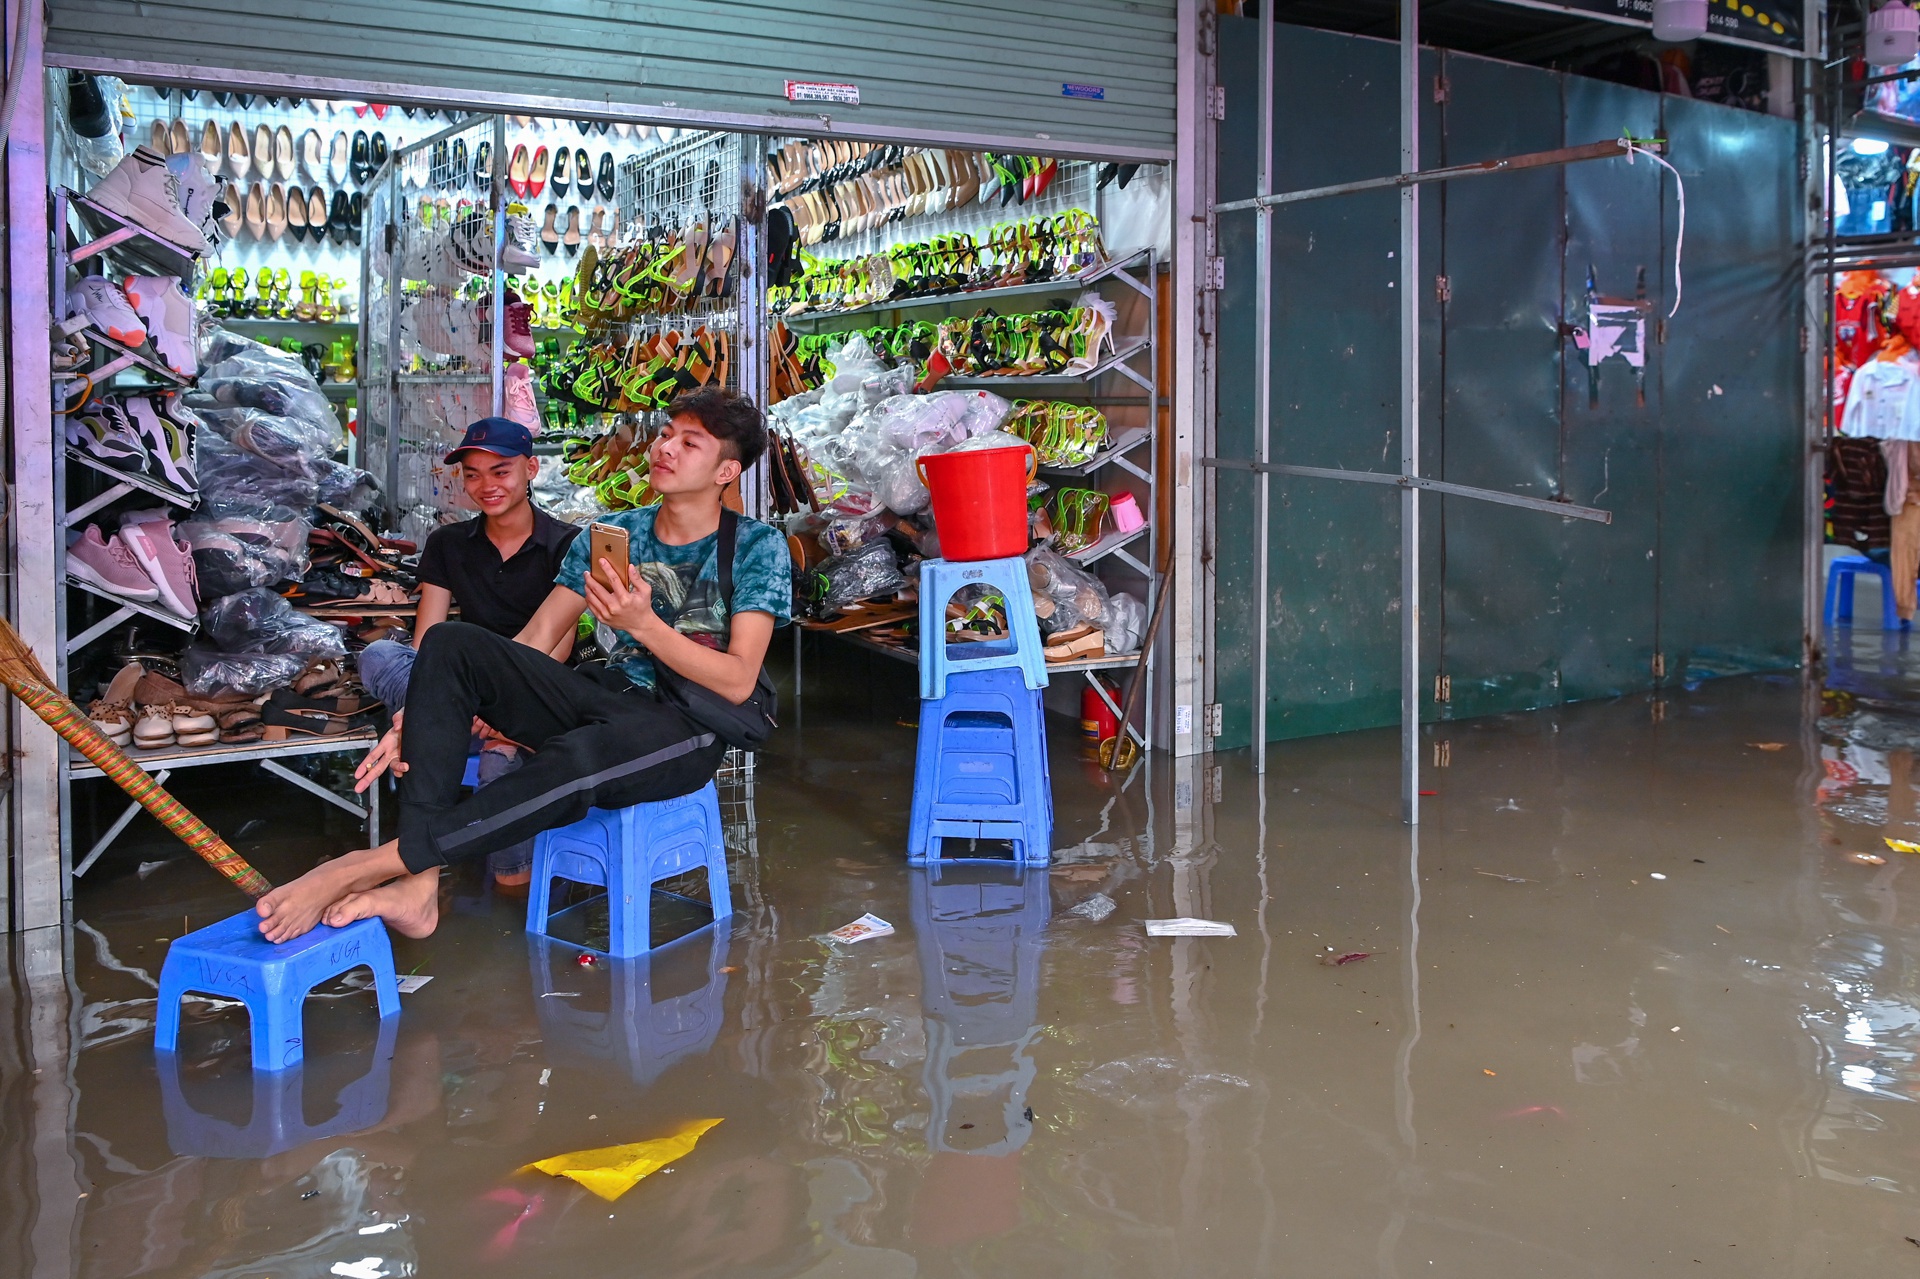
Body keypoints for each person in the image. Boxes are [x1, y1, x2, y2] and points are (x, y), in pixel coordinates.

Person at [255, 387, 790, 943]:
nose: (665, 448)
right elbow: (537, 637)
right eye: (664, 434)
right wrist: (425, 711)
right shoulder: (614, 534)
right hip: (607, 696)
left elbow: (736, 681)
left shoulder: (756, 546)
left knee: (578, 753)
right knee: (451, 642)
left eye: (689, 442)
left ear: (727, 469)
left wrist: (643, 625)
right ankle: (420, 887)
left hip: (687, 725)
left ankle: (364, 867)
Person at [356, 415, 578, 890]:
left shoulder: (566, 544)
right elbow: (427, 641)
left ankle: (511, 881)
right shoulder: (448, 543)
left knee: (499, 763)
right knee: (377, 656)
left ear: (531, 470)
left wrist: (485, 705)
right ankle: (443, 725)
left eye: (500, 471)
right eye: (473, 474)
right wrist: (443, 699)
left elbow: (558, 645)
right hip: (462, 684)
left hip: (535, 684)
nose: (486, 486)